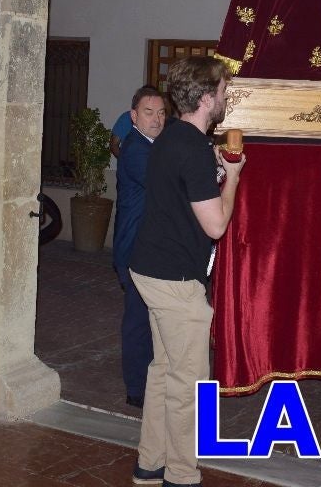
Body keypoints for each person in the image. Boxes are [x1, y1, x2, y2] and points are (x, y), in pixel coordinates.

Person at [128, 56, 245, 487]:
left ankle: (150, 464)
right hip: (175, 281)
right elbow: (215, 225)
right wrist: (231, 177)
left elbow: (180, 191)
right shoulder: (193, 148)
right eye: (223, 91)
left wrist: (210, 169)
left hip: (150, 268)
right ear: (206, 96)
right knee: (190, 385)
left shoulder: (172, 138)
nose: (226, 98)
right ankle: (181, 474)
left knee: (163, 371)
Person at [113, 85, 167, 408]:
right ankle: (136, 389)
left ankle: (148, 381)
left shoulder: (154, 145)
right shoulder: (136, 149)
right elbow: (168, 182)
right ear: (133, 117)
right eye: (149, 113)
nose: (157, 119)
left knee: (149, 319)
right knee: (137, 320)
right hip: (133, 249)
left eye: (161, 113)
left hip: (147, 248)